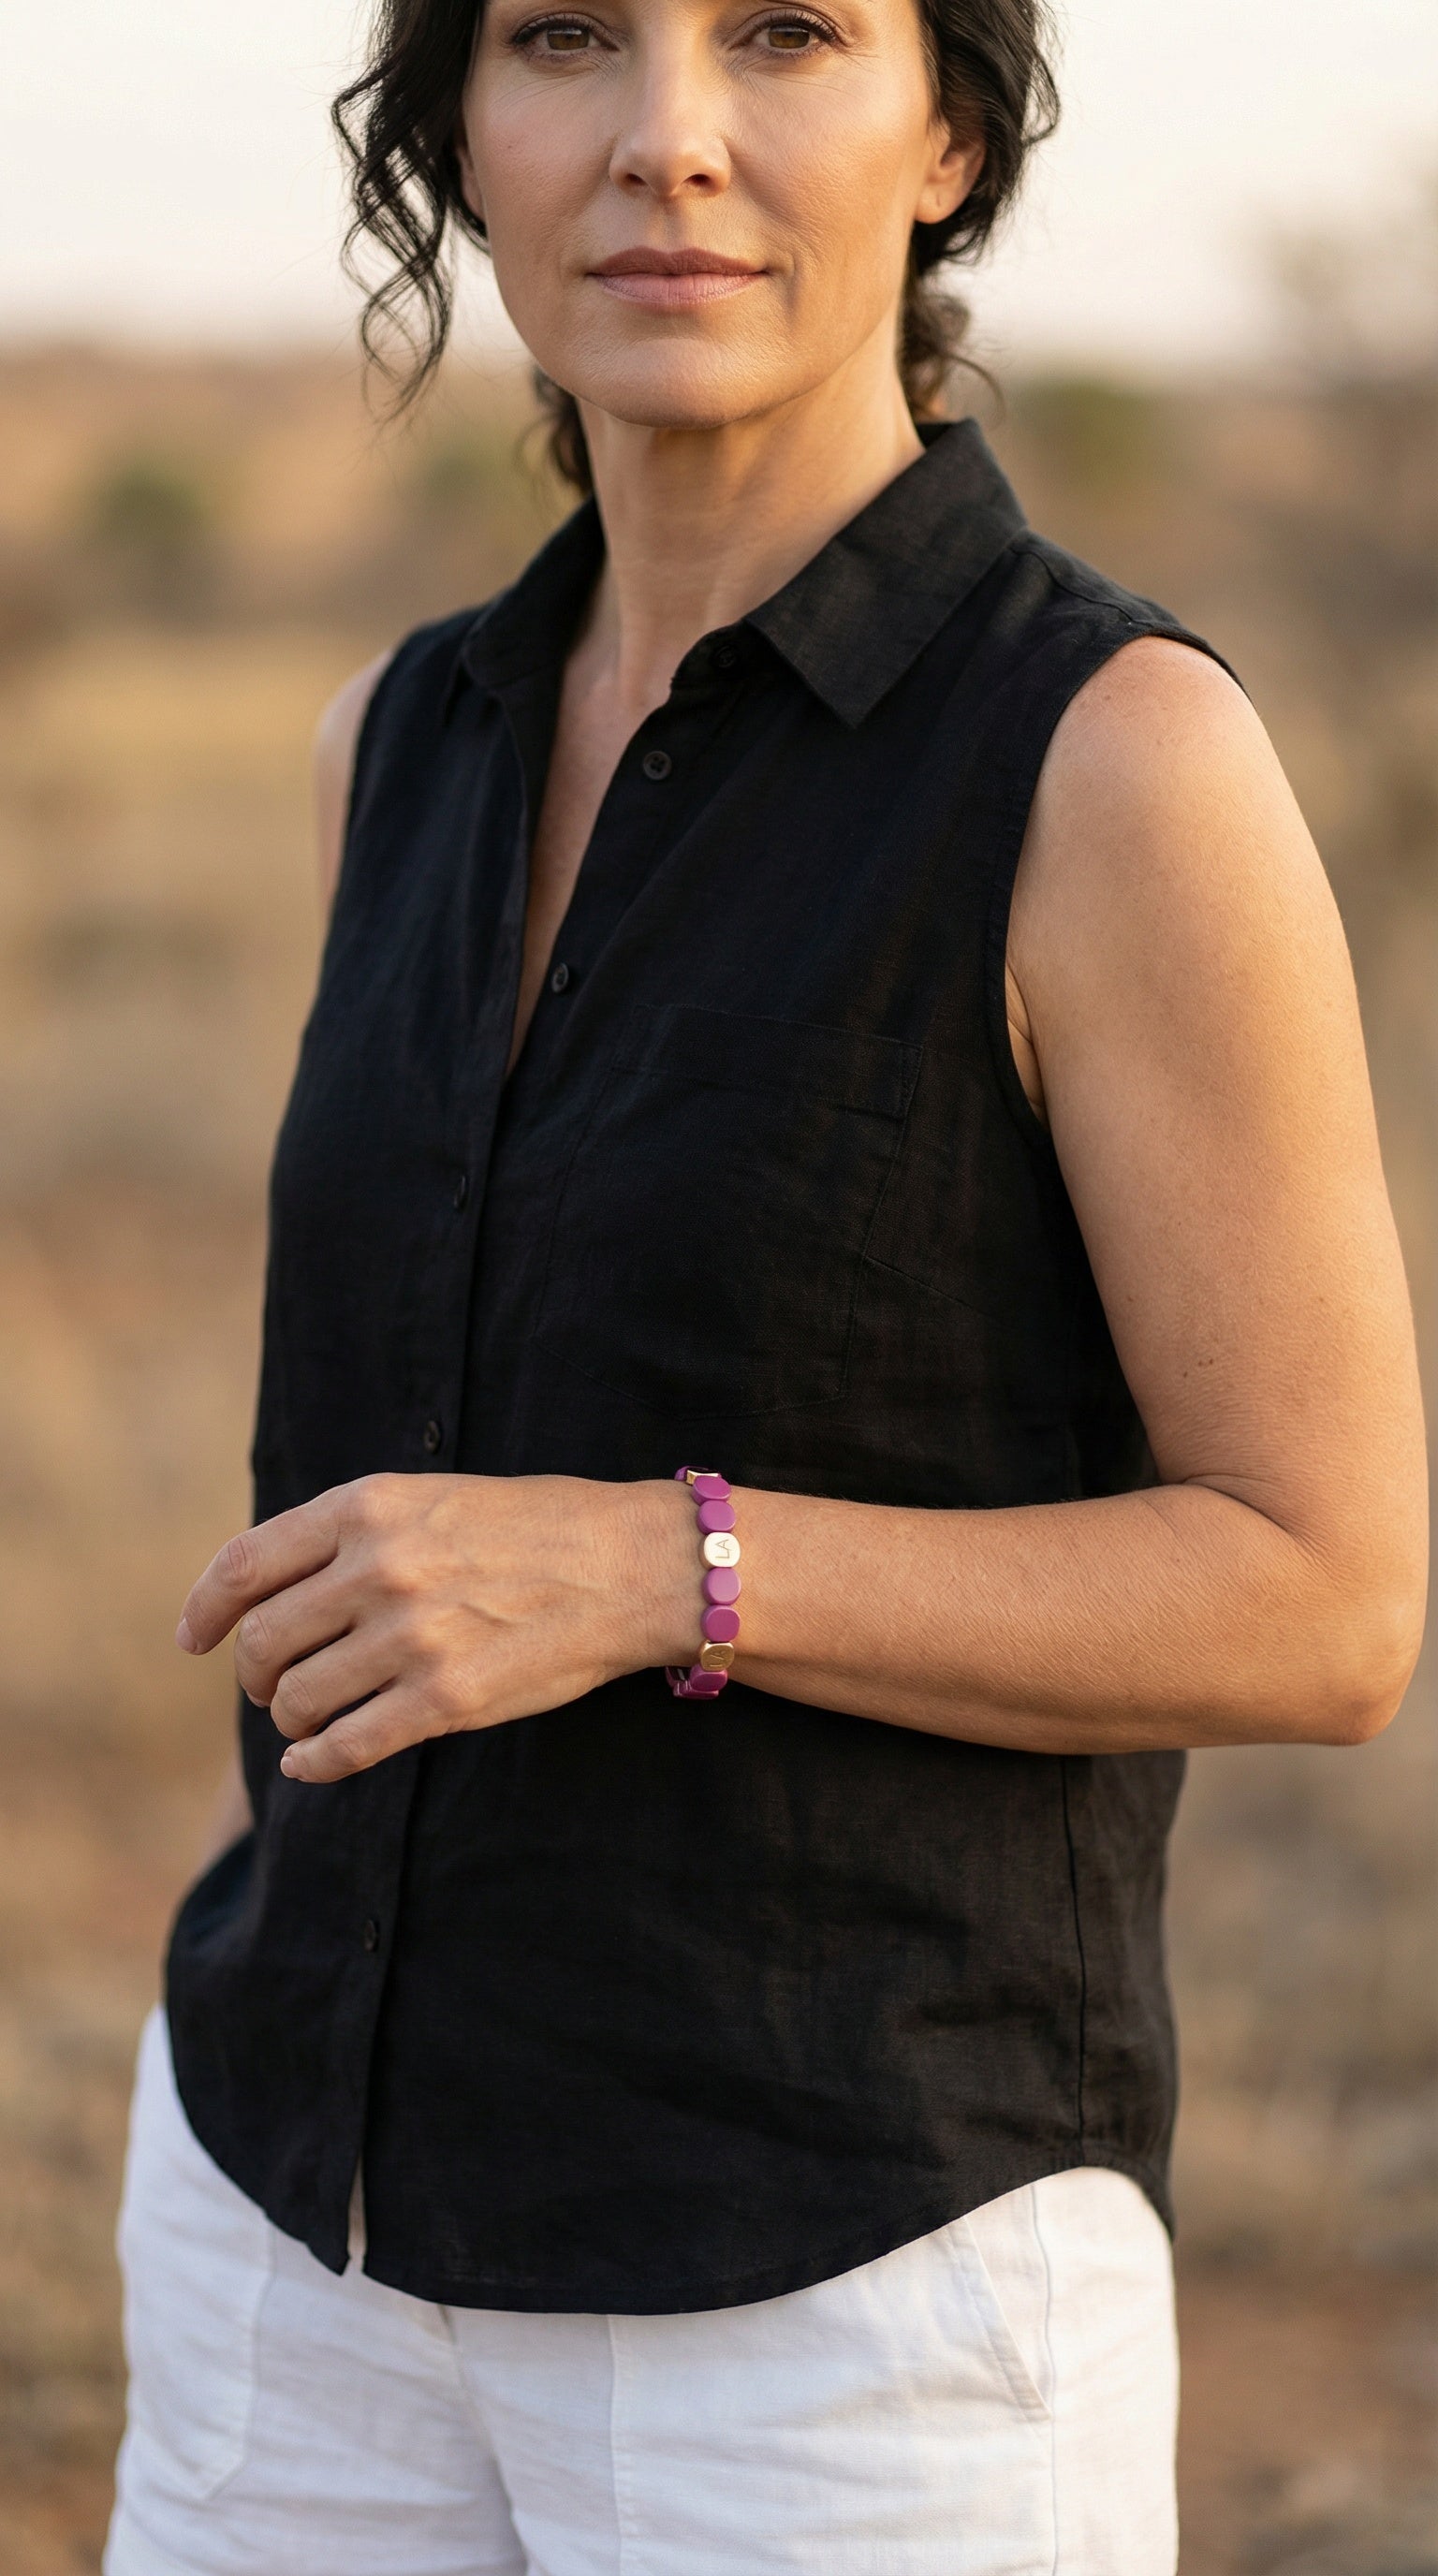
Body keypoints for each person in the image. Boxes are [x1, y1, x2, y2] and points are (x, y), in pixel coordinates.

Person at [104, 0, 1428, 2566]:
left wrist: (659, 1565)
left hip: (840, 2305)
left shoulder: (1113, 756)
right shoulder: (397, 742)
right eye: (567, 38)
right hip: (290, 2228)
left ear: (949, 138)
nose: (666, 141)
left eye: (787, 35)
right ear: (460, 128)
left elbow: (1330, 1599)